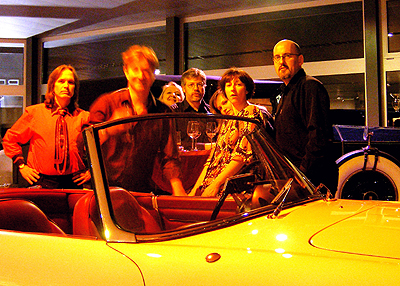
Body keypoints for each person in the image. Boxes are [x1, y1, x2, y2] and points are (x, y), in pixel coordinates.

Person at [88, 45, 186, 196]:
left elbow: (170, 156)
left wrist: (177, 188)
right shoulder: (106, 103)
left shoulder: (163, 112)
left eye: (147, 71)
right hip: (104, 193)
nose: (141, 76)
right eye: (135, 69)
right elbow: (83, 145)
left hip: (140, 192)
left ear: (154, 75)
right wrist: (108, 130)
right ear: (126, 71)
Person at [2, 65, 91, 189]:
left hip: (74, 183)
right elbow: (10, 139)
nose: (66, 86)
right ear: (52, 86)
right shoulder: (35, 113)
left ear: (75, 88)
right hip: (42, 182)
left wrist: (91, 170)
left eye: (70, 82)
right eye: (61, 81)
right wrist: (22, 166)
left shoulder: (84, 117)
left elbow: (104, 146)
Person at [190, 68, 270, 197]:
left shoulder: (250, 111)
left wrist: (216, 184)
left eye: (238, 84)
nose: (232, 89)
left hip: (234, 188)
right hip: (214, 184)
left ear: (247, 89)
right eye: (228, 85)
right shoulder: (228, 121)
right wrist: (195, 190)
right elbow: (212, 159)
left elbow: (242, 156)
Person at [272, 39, 338, 193]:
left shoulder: (310, 86)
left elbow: (319, 136)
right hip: (293, 176)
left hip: (310, 178)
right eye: (277, 57)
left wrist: (301, 173)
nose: (281, 62)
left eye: (287, 56)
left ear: (300, 60)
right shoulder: (284, 92)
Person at [173, 68, 211, 150]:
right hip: (184, 160)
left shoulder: (212, 112)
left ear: (205, 87)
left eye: (199, 84)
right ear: (183, 88)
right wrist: (204, 146)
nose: (196, 89)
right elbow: (172, 143)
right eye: (191, 85)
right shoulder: (174, 112)